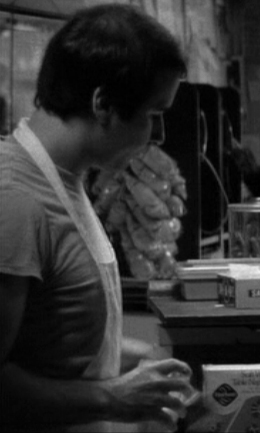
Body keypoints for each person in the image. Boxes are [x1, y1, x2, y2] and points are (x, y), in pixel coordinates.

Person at [0, 5, 196, 432]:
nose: (159, 135)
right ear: (103, 104)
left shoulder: (69, 181)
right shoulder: (14, 198)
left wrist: (143, 358)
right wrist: (112, 398)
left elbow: (56, 343)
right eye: (153, 115)